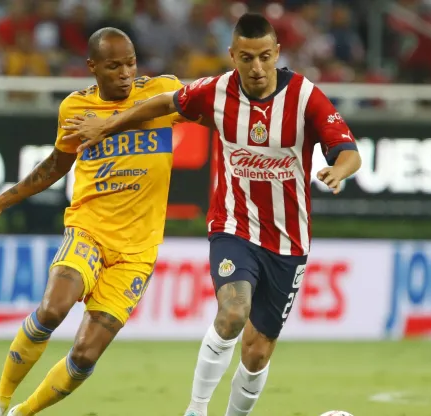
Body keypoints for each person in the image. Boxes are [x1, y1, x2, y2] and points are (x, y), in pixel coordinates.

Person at [61, 13, 363, 416]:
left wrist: (337, 171)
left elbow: (349, 151)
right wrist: (108, 125)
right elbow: (161, 103)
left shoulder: (306, 97)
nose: (256, 68)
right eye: (246, 58)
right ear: (232, 55)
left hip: (288, 240)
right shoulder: (216, 91)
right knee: (233, 311)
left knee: (257, 354)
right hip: (232, 226)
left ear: (277, 53)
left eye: (264, 57)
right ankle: (196, 409)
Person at [0, 27, 186, 416]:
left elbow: (212, 107)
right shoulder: (75, 109)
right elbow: (55, 166)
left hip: (138, 251)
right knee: (52, 308)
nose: (126, 73)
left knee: (84, 355)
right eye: (114, 66)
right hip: (89, 230)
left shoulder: (162, 91)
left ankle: (21, 414)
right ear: (92, 67)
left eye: (130, 63)